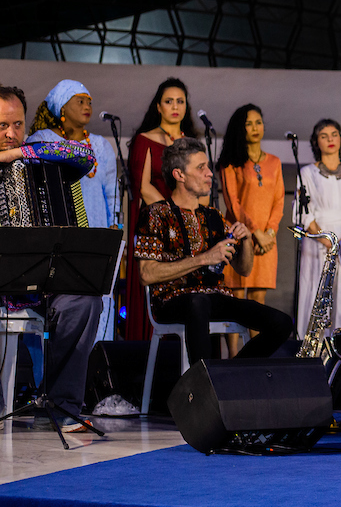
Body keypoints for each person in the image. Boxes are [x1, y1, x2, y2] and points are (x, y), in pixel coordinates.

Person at [135, 138, 292, 368]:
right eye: (201, 168)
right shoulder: (155, 214)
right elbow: (146, 274)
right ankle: (205, 386)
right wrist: (205, 258)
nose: (210, 173)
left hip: (216, 296)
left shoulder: (214, 216)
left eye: (208, 167)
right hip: (172, 299)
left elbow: (244, 269)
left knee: (281, 322)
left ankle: (227, 375)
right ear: (179, 175)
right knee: (198, 303)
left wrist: (246, 239)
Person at [0, 84, 103, 431]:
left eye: (17, 125)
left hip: (40, 280)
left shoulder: (35, 152)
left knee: (84, 300)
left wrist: (17, 155)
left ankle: (63, 405)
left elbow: (85, 158)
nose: (12, 134)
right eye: (2, 126)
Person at [27, 80, 120, 342]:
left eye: (89, 101)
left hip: (96, 237)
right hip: (58, 239)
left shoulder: (101, 145)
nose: (87, 106)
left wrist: (115, 229)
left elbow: (112, 193)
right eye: (80, 100)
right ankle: (46, 377)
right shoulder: (43, 139)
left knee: (97, 301)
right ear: (62, 107)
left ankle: (96, 374)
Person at [124, 78, 199, 342]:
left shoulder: (193, 145)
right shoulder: (144, 140)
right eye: (169, 101)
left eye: (180, 101)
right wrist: (172, 214)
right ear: (158, 106)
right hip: (156, 229)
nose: (175, 106)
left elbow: (200, 185)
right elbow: (143, 187)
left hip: (186, 230)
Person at [216, 104, 285, 356]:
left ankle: (256, 358)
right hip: (238, 235)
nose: (255, 128)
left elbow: (279, 202)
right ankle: (233, 358)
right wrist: (254, 231)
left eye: (258, 122)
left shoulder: (275, 162)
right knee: (235, 299)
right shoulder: (230, 162)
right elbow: (233, 203)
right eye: (248, 123)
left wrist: (270, 234)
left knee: (258, 301)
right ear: (239, 128)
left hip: (267, 240)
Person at [294, 118, 341, 337]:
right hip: (317, 242)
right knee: (316, 292)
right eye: (324, 136)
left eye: (334, 134)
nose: (330, 140)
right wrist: (325, 239)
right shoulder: (307, 173)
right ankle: (312, 350)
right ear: (316, 142)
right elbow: (303, 210)